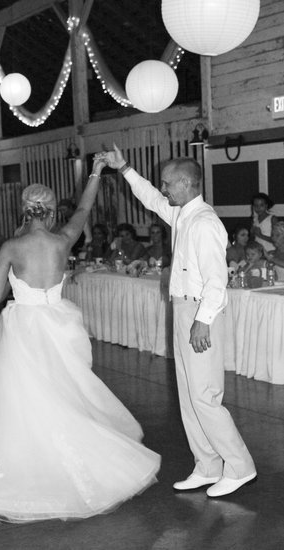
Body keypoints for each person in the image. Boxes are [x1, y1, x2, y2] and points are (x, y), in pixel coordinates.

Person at [0, 158, 160, 524]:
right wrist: (95, 172)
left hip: (24, 327)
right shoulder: (63, 239)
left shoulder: (12, 245)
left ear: (24, 209)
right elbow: (85, 208)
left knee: (17, 399)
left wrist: (14, 280)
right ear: (52, 209)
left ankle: (6, 479)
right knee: (63, 396)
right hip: (59, 325)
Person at [100, 145, 256, 498]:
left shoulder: (204, 223)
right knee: (188, 395)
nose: (165, 188)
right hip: (184, 309)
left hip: (202, 312)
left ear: (186, 183)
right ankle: (207, 464)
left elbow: (217, 280)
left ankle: (240, 465)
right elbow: (153, 200)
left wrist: (201, 322)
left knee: (204, 395)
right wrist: (124, 168)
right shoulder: (183, 214)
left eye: (169, 183)